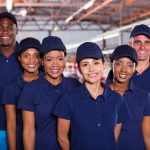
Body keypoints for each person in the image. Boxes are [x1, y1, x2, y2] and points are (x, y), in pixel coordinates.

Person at [53, 42, 130, 150]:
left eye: (96, 63)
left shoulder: (116, 99)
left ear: (103, 64)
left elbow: (114, 136)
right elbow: (62, 137)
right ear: (79, 69)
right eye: (85, 64)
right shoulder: (68, 99)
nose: (91, 69)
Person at [17, 36, 80, 150]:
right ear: (42, 61)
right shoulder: (31, 89)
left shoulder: (74, 85)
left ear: (65, 59)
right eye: (49, 59)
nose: (55, 64)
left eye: (60, 59)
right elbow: (28, 131)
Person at [1, 37, 42, 150]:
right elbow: (11, 125)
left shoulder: (48, 82)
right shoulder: (11, 88)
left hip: (48, 142)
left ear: (41, 59)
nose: (31, 60)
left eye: (36, 55)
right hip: (22, 143)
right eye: (26, 55)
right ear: (19, 58)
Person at [108, 45, 150, 150]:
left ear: (135, 67)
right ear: (111, 64)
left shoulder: (144, 97)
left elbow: (147, 135)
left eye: (130, 65)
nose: (124, 70)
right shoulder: (100, 95)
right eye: (119, 64)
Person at [0, 12, 22, 149]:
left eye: (10, 27)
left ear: (17, 30)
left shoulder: (28, 57)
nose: (5, 31)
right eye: (0, 27)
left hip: (24, 127)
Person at [129, 24, 150, 93]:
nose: (142, 47)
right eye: (138, 42)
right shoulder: (117, 72)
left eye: (147, 42)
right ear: (130, 45)